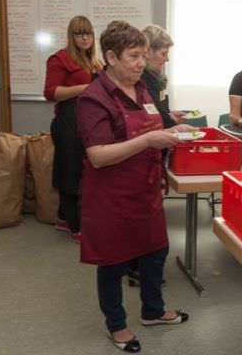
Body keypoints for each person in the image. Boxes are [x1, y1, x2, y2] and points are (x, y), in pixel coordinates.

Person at [75, 21, 191, 353]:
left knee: (156, 253)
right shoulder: (93, 99)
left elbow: (153, 125)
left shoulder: (140, 90)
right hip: (111, 197)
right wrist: (148, 140)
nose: (142, 63)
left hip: (145, 189)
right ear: (111, 57)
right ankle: (117, 325)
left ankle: (153, 311)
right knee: (113, 263)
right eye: (134, 56)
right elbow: (97, 156)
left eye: (143, 55)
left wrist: (171, 132)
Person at [127, 24, 183, 287]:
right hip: (144, 151)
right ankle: (136, 266)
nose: (167, 58)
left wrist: (170, 118)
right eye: (163, 53)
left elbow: (158, 111)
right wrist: (168, 122)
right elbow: (149, 117)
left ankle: (139, 264)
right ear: (148, 53)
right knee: (141, 212)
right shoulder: (142, 81)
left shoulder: (155, 78)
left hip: (154, 148)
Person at [43, 15, 103, 242]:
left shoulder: (93, 61)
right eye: (79, 33)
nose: (85, 38)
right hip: (68, 122)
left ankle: (62, 219)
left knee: (80, 169)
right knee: (70, 174)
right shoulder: (60, 59)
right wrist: (84, 88)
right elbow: (50, 93)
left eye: (88, 33)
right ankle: (76, 228)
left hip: (86, 121)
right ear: (72, 36)